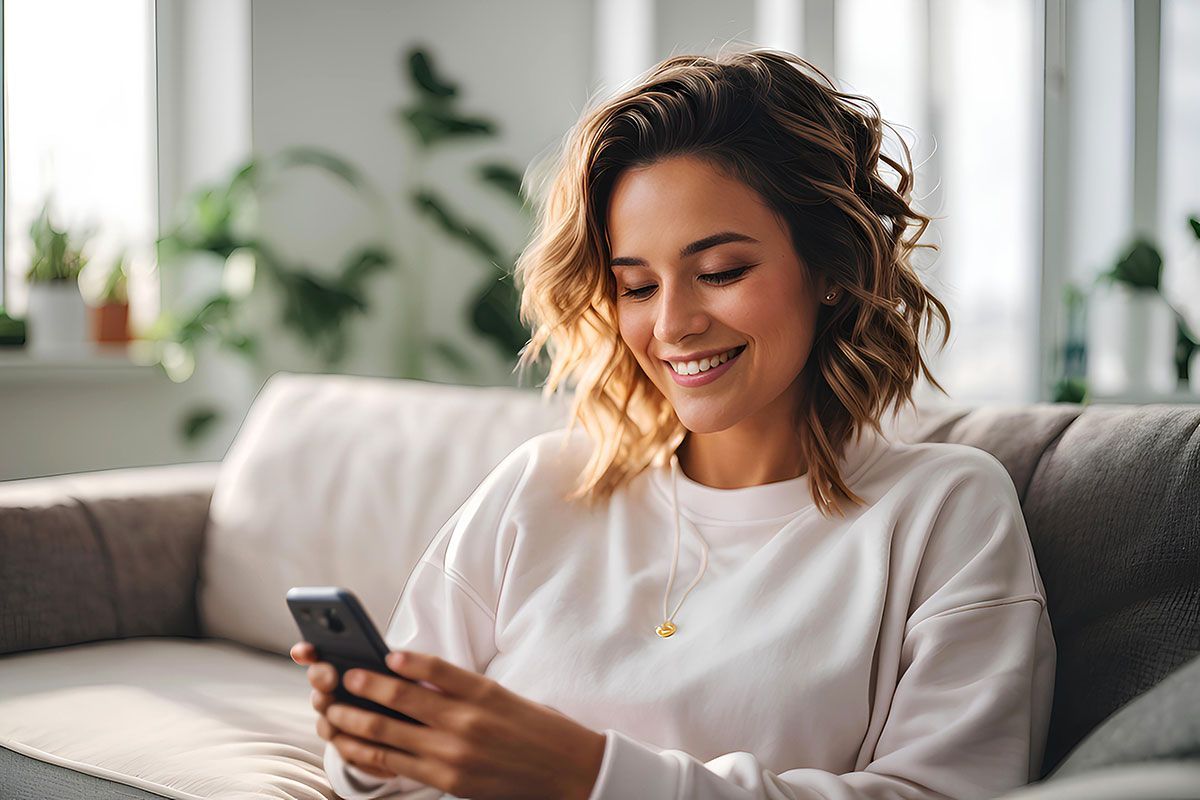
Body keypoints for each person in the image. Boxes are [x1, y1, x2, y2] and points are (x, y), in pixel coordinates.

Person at [292, 48, 1056, 800]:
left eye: (721, 272)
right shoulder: (539, 488)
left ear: (829, 268)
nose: (674, 324)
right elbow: (380, 774)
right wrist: (366, 737)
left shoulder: (945, 511)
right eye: (635, 286)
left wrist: (586, 776)